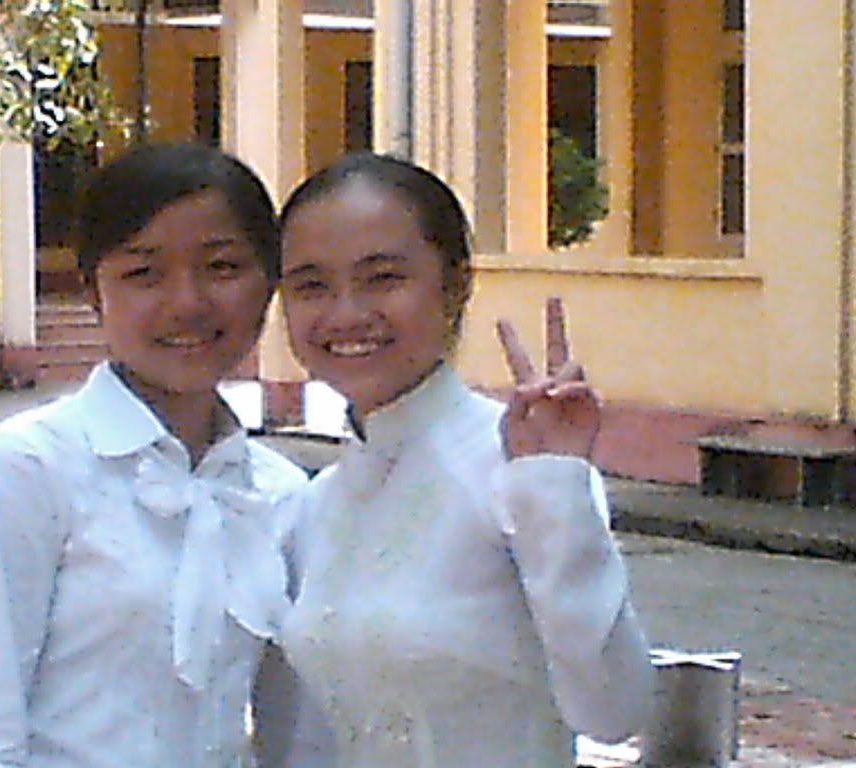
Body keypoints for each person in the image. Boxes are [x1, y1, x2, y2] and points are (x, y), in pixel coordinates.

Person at [267, 152, 654, 767]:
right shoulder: (315, 505)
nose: (346, 314)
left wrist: (556, 488)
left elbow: (613, 710)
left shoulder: (519, 468)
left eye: (383, 278)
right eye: (312, 286)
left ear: (455, 285)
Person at [0, 142, 308, 768]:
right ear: (93, 292)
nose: (186, 303)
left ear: (268, 285)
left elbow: (292, 735)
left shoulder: (284, 495)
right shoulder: (27, 468)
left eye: (222, 267)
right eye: (143, 273)